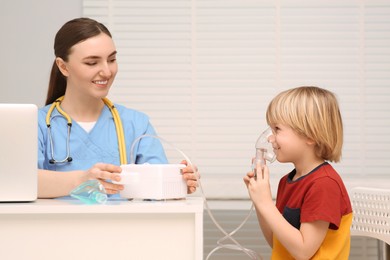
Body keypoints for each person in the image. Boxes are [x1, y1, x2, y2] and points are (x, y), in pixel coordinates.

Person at [38, 17, 198, 198]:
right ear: (63, 66)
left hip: (124, 226)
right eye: (92, 63)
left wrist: (178, 182)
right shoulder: (37, 124)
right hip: (57, 226)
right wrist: (81, 180)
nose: (107, 72)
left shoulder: (136, 124)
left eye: (112, 59)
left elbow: (156, 190)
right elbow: (20, 182)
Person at [244, 86, 352, 259]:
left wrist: (265, 203)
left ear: (310, 135)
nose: (270, 138)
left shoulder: (325, 184)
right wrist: (259, 201)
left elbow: (302, 251)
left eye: (277, 129)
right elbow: (276, 242)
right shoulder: (287, 181)